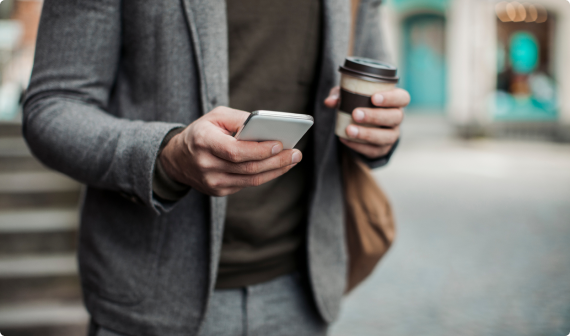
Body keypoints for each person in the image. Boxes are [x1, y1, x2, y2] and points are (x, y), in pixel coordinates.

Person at [23, 0, 409, 335]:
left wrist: (377, 134)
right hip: (150, 297)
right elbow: (54, 106)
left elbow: (372, 86)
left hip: (302, 295)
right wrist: (165, 156)